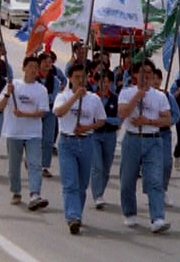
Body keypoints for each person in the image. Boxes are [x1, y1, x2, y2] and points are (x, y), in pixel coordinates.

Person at [118, 59, 172, 234]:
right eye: (142, 72)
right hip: (133, 138)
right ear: (135, 75)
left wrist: (148, 121)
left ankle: (157, 217)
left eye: (149, 72)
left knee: (154, 180)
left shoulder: (160, 96)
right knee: (127, 180)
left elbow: (167, 119)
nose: (146, 75)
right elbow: (122, 113)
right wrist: (137, 96)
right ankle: (130, 212)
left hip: (153, 140)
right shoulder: (126, 93)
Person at [53, 63, 106, 234]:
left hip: (85, 141)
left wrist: (86, 128)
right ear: (70, 78)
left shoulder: (93, 99)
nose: (80, 80)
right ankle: (73, 216)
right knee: (70, 183)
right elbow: (59, 112)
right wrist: (75, 97)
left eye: (82, 77)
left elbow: (101, 120)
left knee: (82, 184)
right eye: (76, 77)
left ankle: (77, 212)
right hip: (67, 141)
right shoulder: (63, 96)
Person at [0, 56, 50, 211]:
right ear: (24, 68)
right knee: (14, 166)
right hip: (14, 132)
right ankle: (15, 190)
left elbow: (42, 112)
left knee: (34, 164)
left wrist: (24, 115)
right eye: (30, 66)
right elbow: (0, 107)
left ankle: (35, 194)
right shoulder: (13, 86)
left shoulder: (41, 89)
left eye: (35, 67)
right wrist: (7, 94)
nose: (33, 70)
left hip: (33, 133)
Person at [90, 70, 121, 209]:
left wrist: (104, 119)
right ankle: (97, 195)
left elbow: (118, 120)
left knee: (106, 166)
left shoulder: (115, 98)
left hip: (109, 135)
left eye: (107, 81)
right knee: (97, 165)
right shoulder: (91, 98)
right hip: (94, 135)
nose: (105, 84)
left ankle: (101, 191)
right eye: (102, 81)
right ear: (97, 82)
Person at [153, 68, 180, 207]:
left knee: (166, 163)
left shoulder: (167, 96)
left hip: (163, 134)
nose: (156, 81)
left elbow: (176, 114)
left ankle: (162, 190)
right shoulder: (144, 96)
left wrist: (167, 121)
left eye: (158, 78)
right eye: (153, 78)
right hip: (148, 134)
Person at [36, 52, 60, 178]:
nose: (47, 65)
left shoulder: (54, 80)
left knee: (48, 140)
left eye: (49, 62)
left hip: (49, 112)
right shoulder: (34, 77)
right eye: (45, 62)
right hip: (35, 112)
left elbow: (54, 96)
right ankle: (32, 160)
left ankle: (45, 166)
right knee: (34, 138)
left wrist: (42, 98)